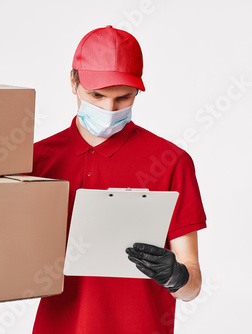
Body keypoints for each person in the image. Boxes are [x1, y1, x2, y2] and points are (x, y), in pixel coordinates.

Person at [29, 25, 207, 333]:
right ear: (74, 81)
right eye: (96, 95)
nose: (109, 109)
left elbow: (191, 287)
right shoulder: (36, 161)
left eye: (123, 97)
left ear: (137, 91)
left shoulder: (171, 162)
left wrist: (176, 275)